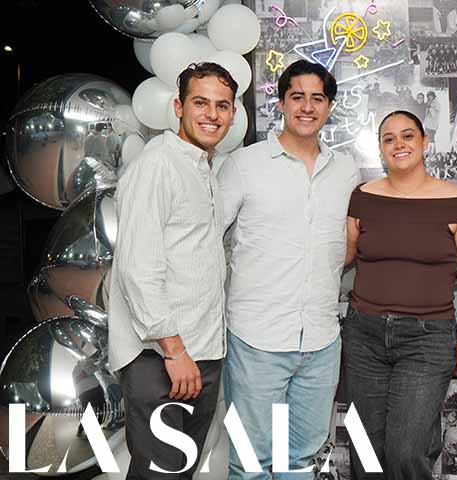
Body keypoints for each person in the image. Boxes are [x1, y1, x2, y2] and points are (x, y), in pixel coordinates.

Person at [217, 59, 360, 479]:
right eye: (297, 97)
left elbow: (345, 244)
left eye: (317, 98)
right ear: (280, 103)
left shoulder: (346, 171)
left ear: (329, 107)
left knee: (303, 460)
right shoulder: (245, 164)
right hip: (256, 339)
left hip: (320, 339)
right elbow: (207, 239)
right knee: (251, 462)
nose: (307, 106)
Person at [108, 62, 238, 479]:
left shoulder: (203, 170)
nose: (211, 114)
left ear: (233, 114)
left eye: (222, 105)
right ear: (179, 107)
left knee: (179, 472)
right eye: (200, 103)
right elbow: (138, 269)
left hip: (200, 352)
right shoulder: (157, 166)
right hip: (161, 357)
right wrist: (175, 351)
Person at [343, 110, 457, 479]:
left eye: (407, 136)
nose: (398, 144)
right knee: (365, 446)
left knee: (407, 449)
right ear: (381, 149)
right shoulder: (362, 197)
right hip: (364, 334)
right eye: (389, 138)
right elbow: (344, 257)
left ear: (424, 142)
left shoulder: (456, 199)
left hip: (427, 339)